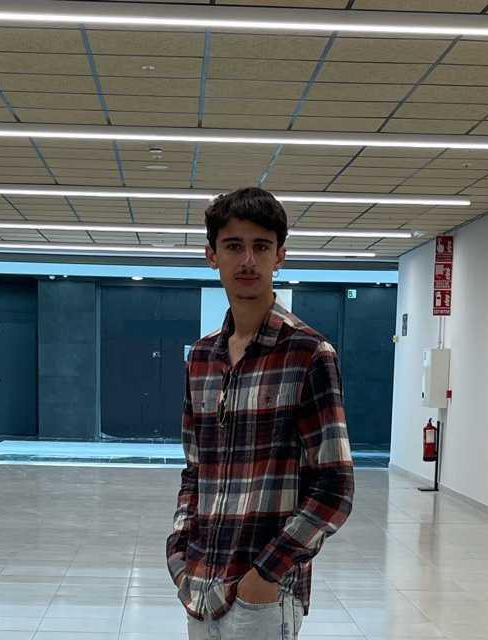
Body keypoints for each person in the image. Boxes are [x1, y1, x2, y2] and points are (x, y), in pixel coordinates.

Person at [166, 187, 354, 640]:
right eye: (234, 246)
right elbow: (195, 469)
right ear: (212, 256)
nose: (248, 260)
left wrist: (266, 574)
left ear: (279, 256)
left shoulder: (308, 354)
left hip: (263, 596)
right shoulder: (202, 358)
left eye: (261, 246)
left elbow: (335, 487)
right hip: (200, 584)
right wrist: (179, 552)